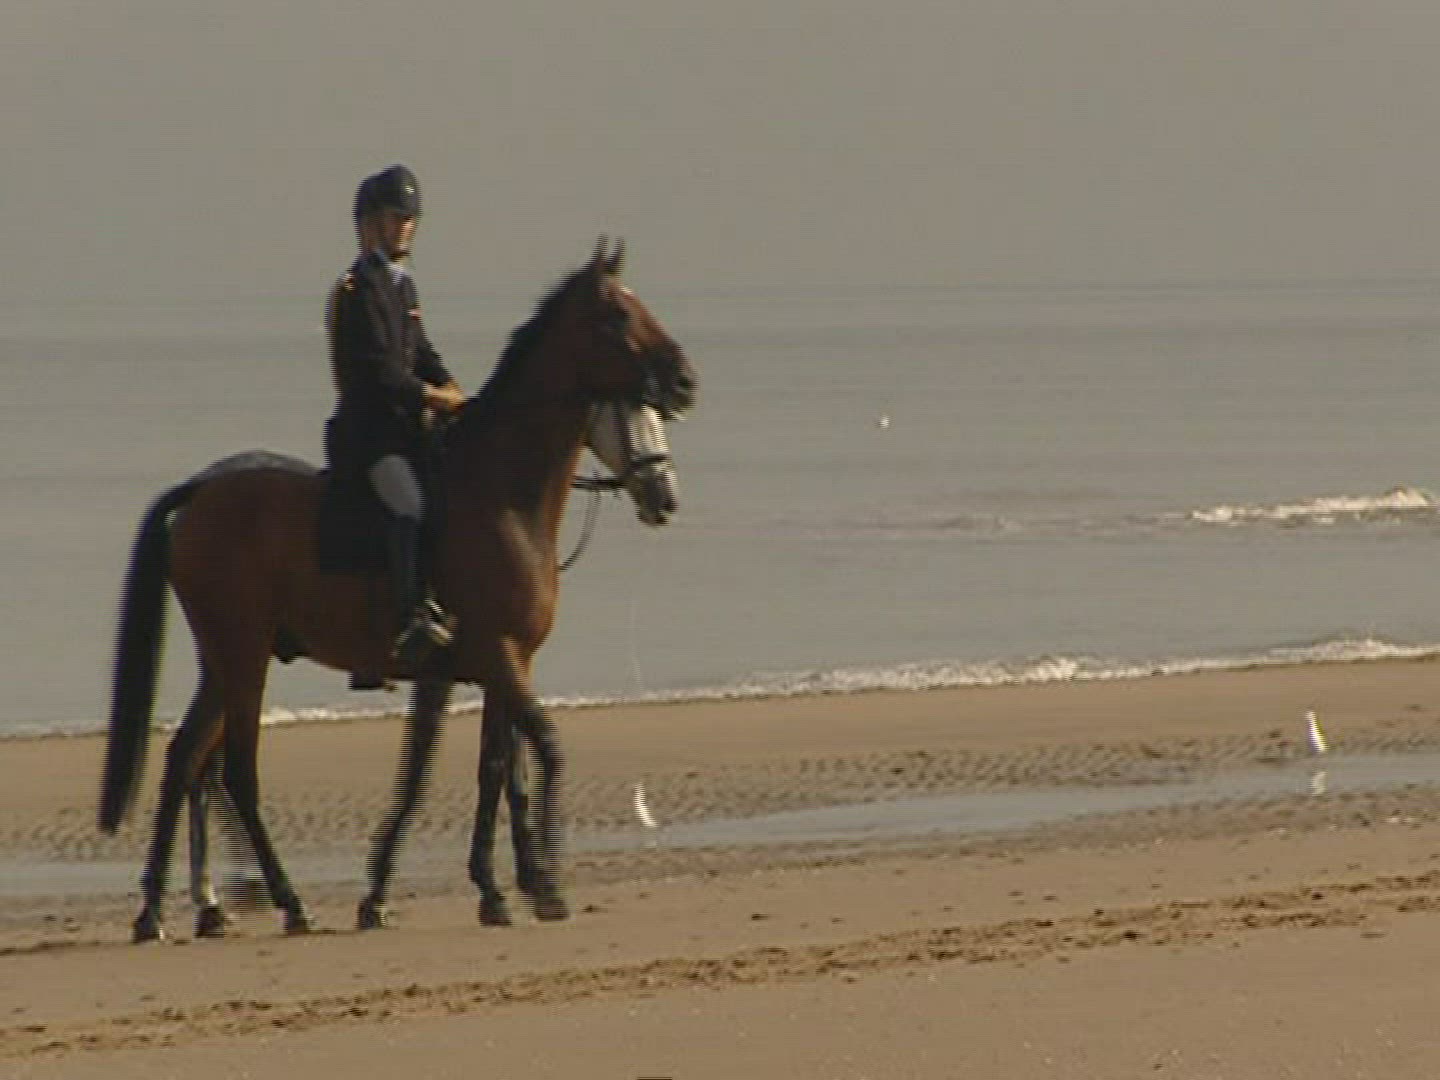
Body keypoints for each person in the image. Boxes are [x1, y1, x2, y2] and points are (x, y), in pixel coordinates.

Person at [324, 164, 466, 665]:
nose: (405, 226)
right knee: (410, 505)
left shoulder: (403, 288)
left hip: (406, 434)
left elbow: (422, 352)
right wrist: (432, 398)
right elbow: (382, 371)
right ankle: (410, 619)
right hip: (370, 437)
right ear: (368, 224)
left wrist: (455, 389)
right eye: (395, 217)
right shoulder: (356, 290)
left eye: (410, 218)